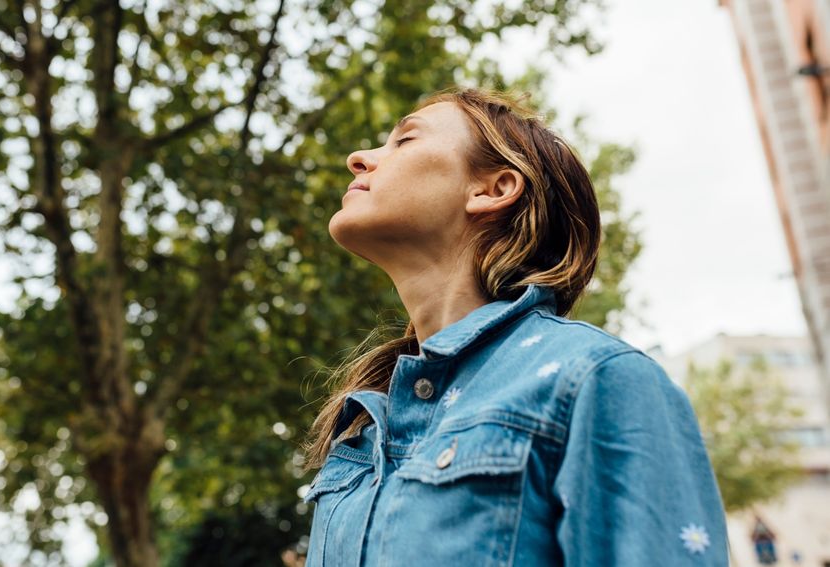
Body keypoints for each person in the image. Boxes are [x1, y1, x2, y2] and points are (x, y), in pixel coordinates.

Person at [299, 88, 730, 566]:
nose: (358, 158)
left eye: (405, 140)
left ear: (491, 189)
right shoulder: (360, 430)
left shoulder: (595, 379)